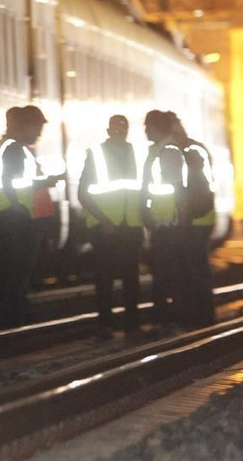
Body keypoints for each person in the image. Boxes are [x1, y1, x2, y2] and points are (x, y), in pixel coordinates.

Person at [0, 106, 59, 328]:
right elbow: (11, 182)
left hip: (6, 216)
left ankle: (14, 317)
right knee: (17, 273)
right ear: (25, 125)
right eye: (37, 127)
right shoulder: (14, 149)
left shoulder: (1, 148)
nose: (39, 133)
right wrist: (18, 208)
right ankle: (14, 321)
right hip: (17, 220)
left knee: (11, 271)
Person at [78, 114, 143, 330]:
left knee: (130, 278)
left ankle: (132, 324)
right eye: (116, 129)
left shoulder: (136, 153)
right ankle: (105, 325)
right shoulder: (96, 154)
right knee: (105, 278)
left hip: (130, 226)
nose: (119, 132)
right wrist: (103, 219)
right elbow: (83, 193)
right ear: (108, 131)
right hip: (105, 228)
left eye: (123, 129)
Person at [169, 112, 218, 329]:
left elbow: (185, 188)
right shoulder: (197, 148)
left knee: (193, 270)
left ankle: (199, 316)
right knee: (196, 269)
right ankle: (203, 315)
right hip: (201, 217)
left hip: (194, 219)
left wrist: (183, 215)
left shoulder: (187, 152)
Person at [140, 110, 185, 329]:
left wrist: (177, 217)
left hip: (169, 222)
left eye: (148, 127)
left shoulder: (167, 151)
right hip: (161, 221)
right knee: (163, 271)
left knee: (167, 272)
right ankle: (165, 316)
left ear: (157, 128)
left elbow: (176, 187)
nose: (145, 131)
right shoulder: (158, 150)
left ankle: (167, 317)